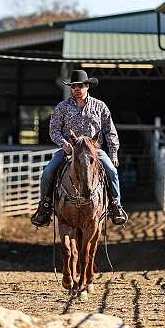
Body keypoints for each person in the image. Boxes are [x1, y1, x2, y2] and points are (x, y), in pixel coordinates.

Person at [31, 70, 128, 227]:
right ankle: (45, 206)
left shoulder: (100, 106)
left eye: (80, 86)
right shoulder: (62, 107)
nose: (77, 88)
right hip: (69, 149)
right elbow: (54, 129)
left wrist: (113, 153)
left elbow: (110, 131)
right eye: (74, 86)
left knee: (111, 171)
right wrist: (64, 143)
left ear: (87, 86)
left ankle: (116, 205)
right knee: (47, 172)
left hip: (93, 151)